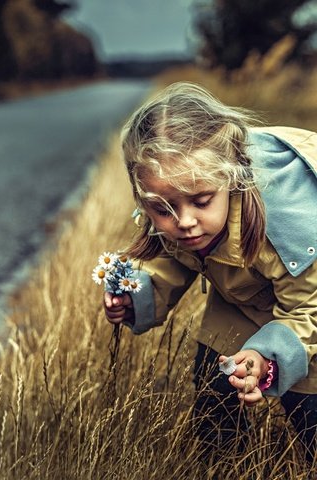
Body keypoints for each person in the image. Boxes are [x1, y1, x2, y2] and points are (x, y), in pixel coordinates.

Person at [103, 82, 317, 463]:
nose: (184, 222)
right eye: (163, 209)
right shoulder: (178, 213)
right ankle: (226, 464)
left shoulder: (289, 232)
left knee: (309, 416)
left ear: (231, 180)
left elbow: (309, 309)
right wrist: (134, 295)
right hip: (241, 299)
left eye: (201, 201)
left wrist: (268, 358)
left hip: (307, 312)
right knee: (213, 386)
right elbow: (172, 259)